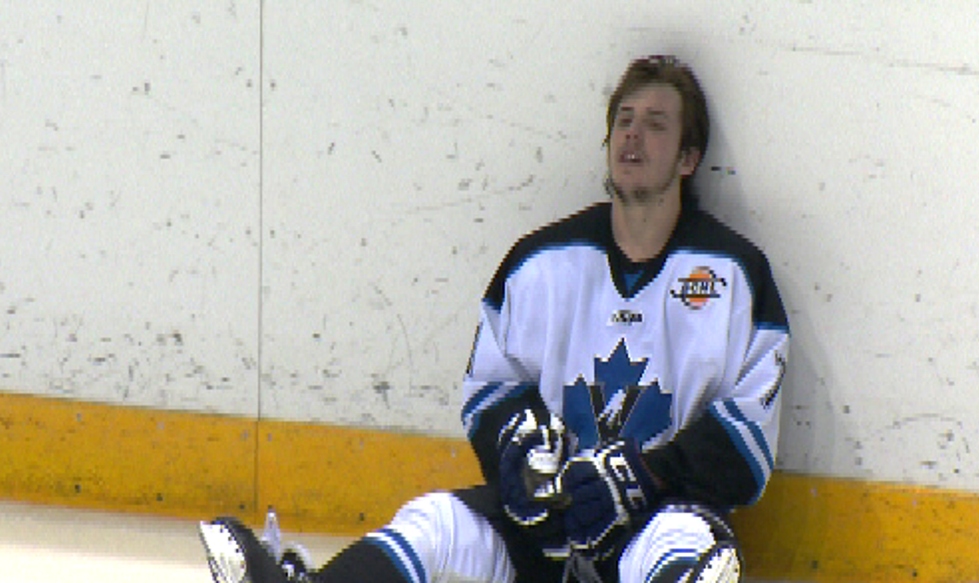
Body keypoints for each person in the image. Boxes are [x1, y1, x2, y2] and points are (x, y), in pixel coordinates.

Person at [200, 54, 789, 583]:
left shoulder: (735, 276)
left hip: (656, 518)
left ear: (689, 158)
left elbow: (747, 447)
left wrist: (642, 476)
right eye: (624, 120)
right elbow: (491, 394)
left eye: (656, 124)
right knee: (436, 520)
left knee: (689, 545)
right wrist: (521, 460)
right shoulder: (539, 263)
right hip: (548, 534)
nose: (633, 135)